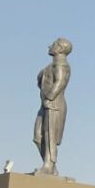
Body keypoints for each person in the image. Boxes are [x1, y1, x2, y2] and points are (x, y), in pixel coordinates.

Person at [32, 37, 72, 176]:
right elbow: (41, 81)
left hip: (54, 103)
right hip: (45, 104)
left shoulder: (62, 66)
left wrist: (49, 97)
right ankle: (50, 167)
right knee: (38, 137)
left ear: (60, 49)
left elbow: (60, 83)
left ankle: (49, 165)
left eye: (54, 44)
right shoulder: (50, 67)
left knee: (50, 137)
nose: (50, 46)